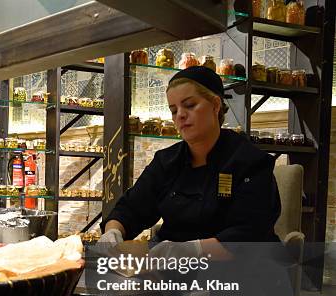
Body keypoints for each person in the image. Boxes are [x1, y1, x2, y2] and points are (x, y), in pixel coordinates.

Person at [99, 66, 281, 259]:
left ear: (215, 105)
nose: (180, 115)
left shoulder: (250, 162)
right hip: (174, 273)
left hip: (238, 275)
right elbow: (131, 208)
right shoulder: (166, 162)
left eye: (190, 105)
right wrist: (113, 232)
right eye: (174, 110)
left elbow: (249, 235)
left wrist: (192, 251)